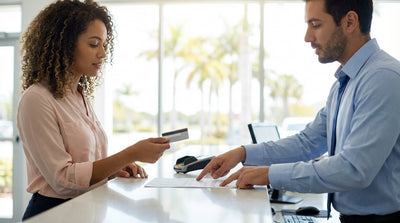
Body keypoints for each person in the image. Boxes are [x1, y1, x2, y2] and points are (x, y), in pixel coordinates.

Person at [197, 0, 400, 222]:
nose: (307, 37)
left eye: (316, 25)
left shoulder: (382, 78)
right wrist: (243, 153)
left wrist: (268, 174)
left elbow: (354, 169)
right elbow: (308, 142)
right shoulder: (346, 82)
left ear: (350, 21)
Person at [17, 0, 170, 220]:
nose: (102, 53)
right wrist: (131, 153)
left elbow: (83, 165)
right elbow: (63, 179)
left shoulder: (79, 96)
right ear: (65, 45)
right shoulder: (36, 99)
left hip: (85, 209)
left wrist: (113, 169)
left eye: (105, 44)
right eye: (93, 44)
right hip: (52, 213)